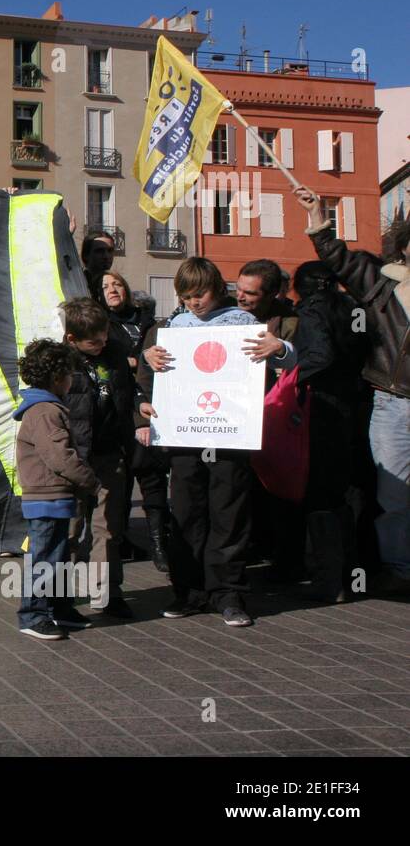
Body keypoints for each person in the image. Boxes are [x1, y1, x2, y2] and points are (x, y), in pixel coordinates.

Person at [137, 257, 296, 627]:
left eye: (200, 294)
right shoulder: (174, 326)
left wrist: (282, 349)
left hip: (229, 437)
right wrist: (148, 359)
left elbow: (288, 362)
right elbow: (150, 378)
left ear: (216, 288)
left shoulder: (243, 324)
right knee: (188, 515)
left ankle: (229, 595)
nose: (194, 302)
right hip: (185, 438)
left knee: (229, 515)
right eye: (187, 296)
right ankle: (189, 592)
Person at [296, 186, 410, 597]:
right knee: (393, 495)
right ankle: (399, 569)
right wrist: (316, 215)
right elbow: (337, 258)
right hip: (392, 401)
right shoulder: (383, 287)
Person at [291, 260, 369, 601]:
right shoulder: (353, 307)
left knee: (320, 492)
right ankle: (354, 576)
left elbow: (319, 356)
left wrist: (289, 377)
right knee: (347, 493)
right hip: (356, 404)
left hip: (323, 407)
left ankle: (329, 581)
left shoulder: (311, 310)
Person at [13, 339, 101, 640]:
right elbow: (60, 457)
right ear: (56, 378)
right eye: (69, 375)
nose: (72, 381)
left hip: (57, 497)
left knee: (60, 557)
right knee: (46, 557)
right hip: (47, 497)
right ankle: (33, 614)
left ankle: (59, 609)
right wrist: (89, 480)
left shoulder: (46, 408)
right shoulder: (46, 411)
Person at [60, 297, 136, 618]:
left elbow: (127, 390)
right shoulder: (62, 362)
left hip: (109, 452)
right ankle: (60, 595)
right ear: (72, 340)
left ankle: (105, 593)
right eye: (95, 341)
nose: (102, 343)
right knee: (70, 529)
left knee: (108, 527)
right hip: (75, 457)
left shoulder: (115, 352)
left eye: (105, 336)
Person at [235, 258, 302, 577]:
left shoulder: (290, 322)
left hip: (275, 414)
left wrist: (281, 350)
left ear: (273, 294)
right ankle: (249, 545)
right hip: (236, 413)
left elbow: (303, 361)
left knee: (276, 485)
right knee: (242, 485)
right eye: (238, 289)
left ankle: (284, 555)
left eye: (250, 293)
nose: (241, 297)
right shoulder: (226, 315)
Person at [101, 272, 172, 573]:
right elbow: (107, 359)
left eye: (117, 284)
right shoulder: (102, 322)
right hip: (118, 409)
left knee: (152, 477)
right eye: (105, 287)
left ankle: (160, 544)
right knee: (122, 483)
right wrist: (138, 360)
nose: (112, 290)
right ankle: (121, 543)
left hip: (150, 404)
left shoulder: (148, 321)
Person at [80, 232, 116, 301]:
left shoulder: (117, 284)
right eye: (99, 251)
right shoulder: (78, 283)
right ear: (86, 255)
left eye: (110, 250)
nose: (106, 256)